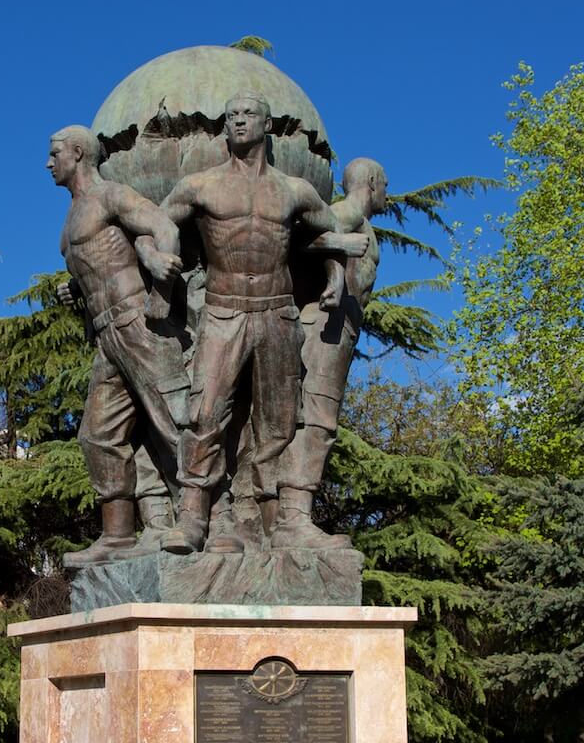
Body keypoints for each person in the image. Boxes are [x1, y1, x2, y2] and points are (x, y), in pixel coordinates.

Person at [144, 94, 369, 554]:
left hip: (277, 313)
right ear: (224, 128)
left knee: (278, 423)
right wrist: (152, 257)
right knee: (204, 412)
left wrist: (334, 268)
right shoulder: (199, 186)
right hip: (224, 311)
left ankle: (283, 523)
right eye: (231, 116)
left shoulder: (294, 190)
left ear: (267, 124)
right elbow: (154, 226)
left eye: (248, 115)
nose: (239, 121)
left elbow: (325, 236)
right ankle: (193, 519)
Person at [47, 124, 190, 565]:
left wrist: (161, 299)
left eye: (54, 154)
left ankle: (209, 517)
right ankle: (118, 536)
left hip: (137, 321)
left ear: (77, 153)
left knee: (174, 421)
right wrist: (74, 287)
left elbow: (164, 228)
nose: (48, 163)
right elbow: (96, 264)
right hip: (106, 335)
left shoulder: (110, 195)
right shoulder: (68, 222)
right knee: (97, 435)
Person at [272, 158, 386, 548]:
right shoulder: (348, 212)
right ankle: (292, 517)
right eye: (384, 183)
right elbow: (302, 239)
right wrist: (341, 247)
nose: (387, 191)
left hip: (336, 333)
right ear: (371, 182)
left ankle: (291, 513)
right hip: (323, 328)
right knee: (314, 420)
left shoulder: (360, 219)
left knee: (320, 420)